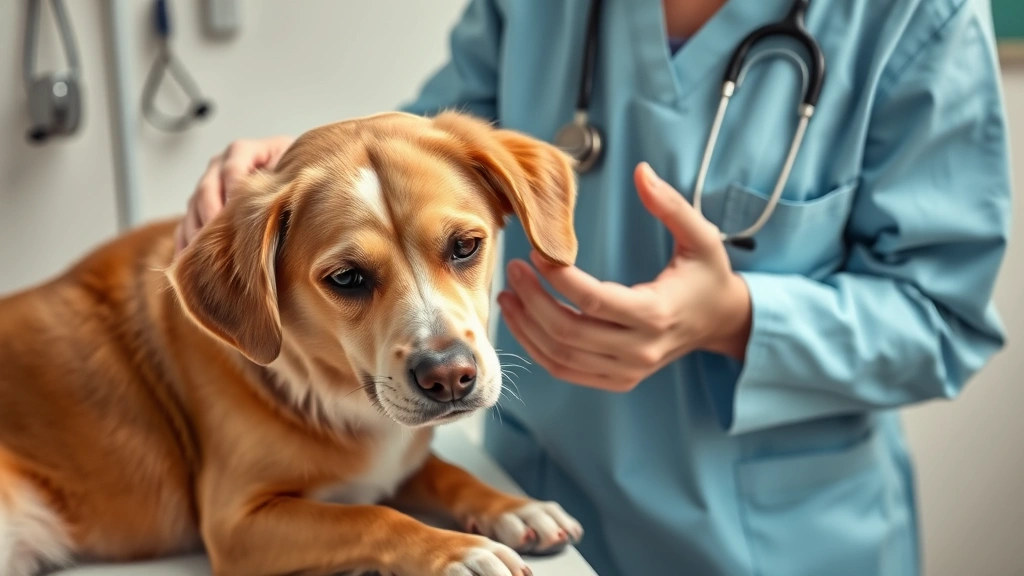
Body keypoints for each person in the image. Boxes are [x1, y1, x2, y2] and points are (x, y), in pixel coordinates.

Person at [175, 0, 1013, 574]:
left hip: (770, 542)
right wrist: (298, 178)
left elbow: (943, 319)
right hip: (533, 505)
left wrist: (734, 320)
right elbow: (418, 162)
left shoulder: (916, 18)